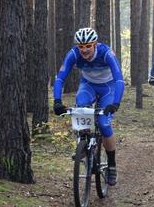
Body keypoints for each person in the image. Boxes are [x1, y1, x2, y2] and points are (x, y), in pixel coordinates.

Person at [53, 28, 124, 186]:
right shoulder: (73, 54)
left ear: (95, 44)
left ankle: (111, 166)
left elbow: (119, 80)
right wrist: (57, 101)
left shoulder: (106, 53)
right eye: (81, 46)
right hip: (88, 86)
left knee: (104, 123)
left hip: (109, 88)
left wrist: (115, 103)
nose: (84, 50)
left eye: (88, 46)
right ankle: (83, 147)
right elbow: (60, 79)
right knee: (81, 110)